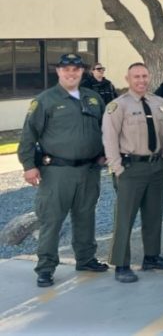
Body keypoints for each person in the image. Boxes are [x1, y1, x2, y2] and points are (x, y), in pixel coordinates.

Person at [18, 53, 109, 287]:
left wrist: (104, 153)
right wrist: (29, 166)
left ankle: (86, 259)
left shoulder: (93, 98)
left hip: (89, 170)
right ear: (58, 71)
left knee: (86, 216)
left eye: (75, 69)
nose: (71, 73)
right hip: (57, 172)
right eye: (66, 69)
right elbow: (29, 135)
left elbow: (103, 130)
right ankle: (45, 268)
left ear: (82, 72)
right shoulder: (45, 100)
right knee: (52, 220)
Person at [103, 63, 163, 283]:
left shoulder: (160, 103)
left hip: (155, 167)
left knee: (154, 215)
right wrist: (117, 168)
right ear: (128, 79)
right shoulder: (118, 106)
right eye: (136, 76)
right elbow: (109, 138)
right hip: (130, 168)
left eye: (144, 76)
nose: (141, 80)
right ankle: (121, 264)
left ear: (149, 77)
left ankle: (151, 257)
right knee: (125, 218)